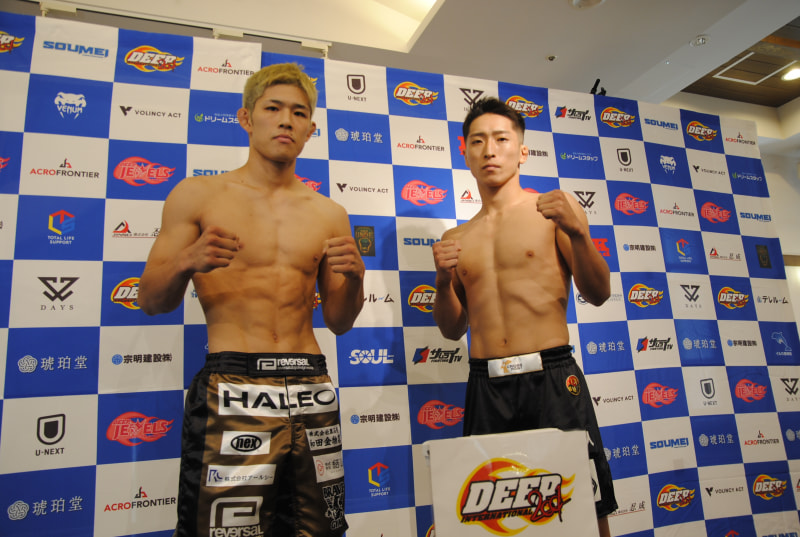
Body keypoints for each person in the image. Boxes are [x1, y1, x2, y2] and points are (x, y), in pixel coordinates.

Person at [139, 63, 364, 537]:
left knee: (320, 531)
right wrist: (187, 261)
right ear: (246, 118)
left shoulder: (330, 213)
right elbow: (151, 300)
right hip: (233, 383)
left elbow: (339, 322)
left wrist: (356, 280)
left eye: (298, 113)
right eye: (273, 108)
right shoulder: (198, 195)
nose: (286, 120)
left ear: (311, 128)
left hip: (310, 383)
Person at [431, 97, 617, 536]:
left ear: (522, 151)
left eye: (501, 139)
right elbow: (452, 328)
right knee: (492, 521)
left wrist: (579, 233)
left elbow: (599, 293)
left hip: (551, 377)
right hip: (486, 384)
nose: (490, 150)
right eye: (478, 141)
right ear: (465, 152)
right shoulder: (457, 236)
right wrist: (441, 282)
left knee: (583, 510)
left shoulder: (552, 212)